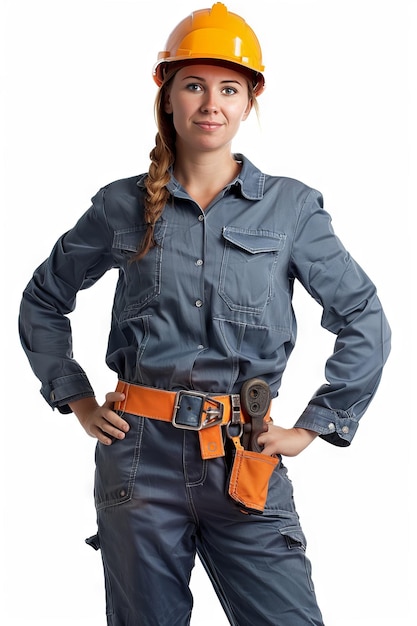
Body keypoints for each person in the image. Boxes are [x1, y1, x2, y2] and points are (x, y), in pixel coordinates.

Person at [19, 3, 391, 625]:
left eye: (229, 88)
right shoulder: (120, 206)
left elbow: (363, 316)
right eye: (193, 85)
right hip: (139, 462)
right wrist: (77, 399)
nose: (210, 103)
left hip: (245, 458)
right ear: (167, 96)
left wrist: (315, 425)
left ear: (250, 103)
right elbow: (44, 298)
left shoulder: (292, 210)